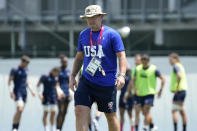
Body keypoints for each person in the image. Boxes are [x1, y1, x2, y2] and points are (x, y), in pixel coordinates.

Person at [69, 5, 127, 131]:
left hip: (106, 83)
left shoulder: (112, 34)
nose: (91, 20)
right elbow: (79, 57)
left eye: (94, 17)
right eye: (88, 17)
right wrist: (73, 76)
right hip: (86, 81)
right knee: (79, 110)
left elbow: (121, 55)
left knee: (110, 116)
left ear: (101, 17)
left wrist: (122, 75)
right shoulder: (83, 35)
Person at [132, 54, 165, 131]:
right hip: (139, 94)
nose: (144, 61)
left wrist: (160, 90)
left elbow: (163, 79)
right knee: (143, 113)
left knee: (146, 111)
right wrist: (135, 89)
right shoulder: (138, 69)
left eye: (145, 60)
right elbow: (133, 80)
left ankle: (145, 127)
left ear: (148, 61)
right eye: (143, 59)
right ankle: (151, 125)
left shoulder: (154, 69)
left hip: (149, 94)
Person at [8, 55, 35, 131]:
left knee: (20, 111)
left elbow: (26, 81)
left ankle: (16, 128)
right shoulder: (15, 69)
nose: (27, 64)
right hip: (17, 92)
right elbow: (10, 81)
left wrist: (31, 90)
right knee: (19, 109)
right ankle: (14, 128)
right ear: (22, 62)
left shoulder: (26, 70)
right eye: (26, 63)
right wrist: (11, 91)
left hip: (24, 92)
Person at [37, 67, 64, 131]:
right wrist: (40, 94)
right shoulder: (45, 76)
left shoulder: (56, 78)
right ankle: (46, 129)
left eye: (58, 74)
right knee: (45, 113)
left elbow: (57, 86)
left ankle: (53, 129)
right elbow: (38, 85)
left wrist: (60, 93)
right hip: (46, 98)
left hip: (54, 98)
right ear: (53, 71)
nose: (57, 75)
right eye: (56, 73)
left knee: (53, 113)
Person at [169, 53, 187, 131]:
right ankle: (184, 129)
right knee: (181, 111)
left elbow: (179, 76)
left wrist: (177, 88)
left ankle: (176, 129)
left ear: (175, 59)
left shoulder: (176, 66)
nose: (169, 61)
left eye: (170, 59)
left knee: (174, 110)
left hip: (179, 91)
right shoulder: (181, 66)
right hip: (183, 90)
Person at [124, 54, 142, 131]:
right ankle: (135, 129)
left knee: (145, 112)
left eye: (137, 59)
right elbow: (131, 82)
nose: (136, 61)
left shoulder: (142, 69)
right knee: (136, 112)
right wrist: (126, 94)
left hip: (144, 94)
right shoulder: (134, 69)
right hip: (135, 95)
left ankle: (150, 125)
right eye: (135, 59)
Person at [56, 56, 71, 131]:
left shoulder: (68, 71)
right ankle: (57, 128)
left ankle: (60, 128)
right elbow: (56, 83)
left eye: (67, 61)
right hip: (60, 94)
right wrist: (59, 92)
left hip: (67, 93)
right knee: (60, 111)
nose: (66, 63)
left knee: (64, 112)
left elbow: (69, 82)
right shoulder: (58, 70)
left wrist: (71, 92)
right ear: (61, 62)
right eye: (65, 62)